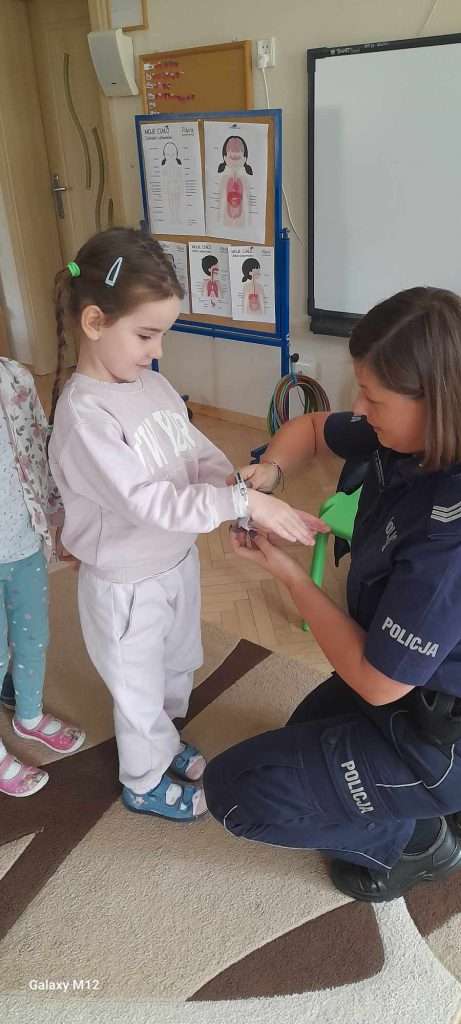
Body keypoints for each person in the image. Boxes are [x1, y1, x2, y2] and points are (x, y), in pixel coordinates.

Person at [48, 227, 323, 823]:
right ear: (94, 322)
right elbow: (148, 502)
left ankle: (163, 739)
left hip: (176, 562)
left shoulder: (151, 384)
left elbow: (191, 449)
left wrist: (238, 486)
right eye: (146, 335)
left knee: (178, 662)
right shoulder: (85, 416)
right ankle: (143, 778)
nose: (157, 352)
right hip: (126, 583)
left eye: (163, 335)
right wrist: (240, 505)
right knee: (137, 685)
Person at [203, 286, 461, 901]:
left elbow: (377, 682)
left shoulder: (448, 537)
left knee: (234, 793)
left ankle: (416, 843)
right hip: (409, 683)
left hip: (434, 729)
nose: (359, 408)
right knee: (302, 735)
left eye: (373, 397)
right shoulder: (408, 435)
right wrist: (271, 473)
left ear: (437, 401)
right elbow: (313, 427)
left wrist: (289, 573)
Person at [0, 359, 85, 797]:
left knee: (33, 638)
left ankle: (28, 715)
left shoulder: (15, 378)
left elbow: (38, 448)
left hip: (23, 542)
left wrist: (59, 518)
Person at [217, 136, 252, 227]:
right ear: (225, 158)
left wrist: (248, 221)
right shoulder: (224, 179)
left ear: (245, 158)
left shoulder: (244, 180)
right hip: (226, 219)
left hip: (242, 219)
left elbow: (247, 202)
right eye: (231, 155)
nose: (234, 153)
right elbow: (221, 201)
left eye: (239, 153)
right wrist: (219, 219)